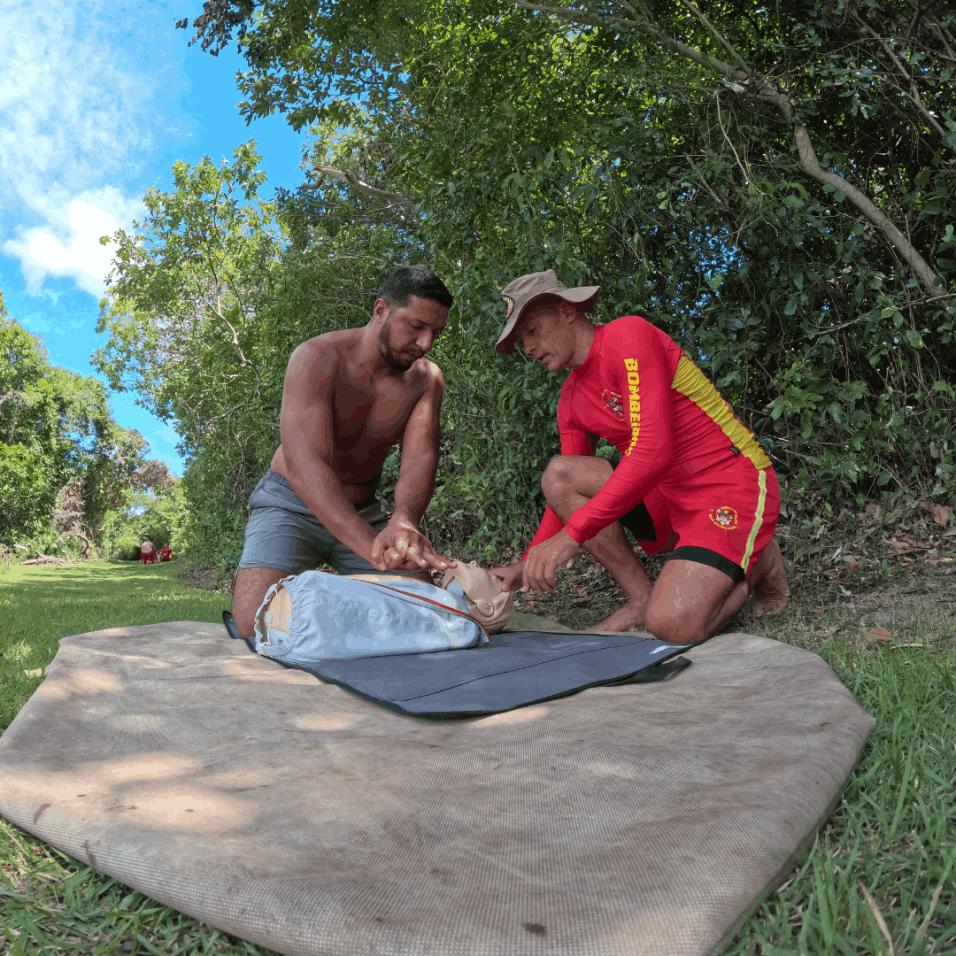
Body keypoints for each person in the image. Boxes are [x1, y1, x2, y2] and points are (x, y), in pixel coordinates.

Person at [489, 270, 790, 643]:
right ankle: (638, 598)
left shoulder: (628, 336)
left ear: (567, 310)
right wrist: (525, 565)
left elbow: (653, 450)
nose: (528, 348)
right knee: (559, 474)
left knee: (671, 626)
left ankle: (759, 564)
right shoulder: (570, 398)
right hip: (666, 496)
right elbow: (561, 495)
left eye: (532, 331)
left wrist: (572, 537)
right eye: (521, 342)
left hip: (728, 483)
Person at [231, 265, 457, 638]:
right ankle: (331, 589)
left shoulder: (426, 378)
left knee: (424, 605)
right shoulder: (317, 357)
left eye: (436, 332)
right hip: (291, 500)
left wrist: (403, 519)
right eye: (415, 326)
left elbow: (420, 459)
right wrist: (373, 550)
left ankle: (327, 594)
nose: (426, 343)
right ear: (381, 310)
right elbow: (307, 467)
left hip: (364, 507)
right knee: (253, 623)